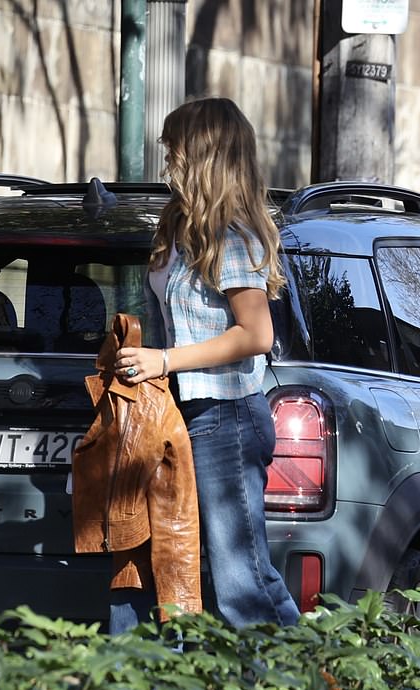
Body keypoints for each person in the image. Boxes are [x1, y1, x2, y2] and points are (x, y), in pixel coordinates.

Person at [112, 96, 300, 631]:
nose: (167, 159)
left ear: (205, 155)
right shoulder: (176, 228)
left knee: (242, 578)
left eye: (175, 149)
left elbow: (256, 333)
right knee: (192, 576)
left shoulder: (229, 234)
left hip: (228, 418)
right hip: (180, 417)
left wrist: (163, 360)